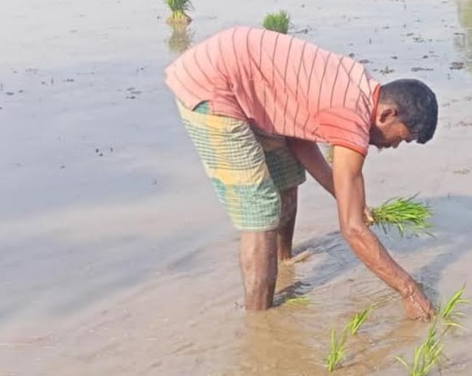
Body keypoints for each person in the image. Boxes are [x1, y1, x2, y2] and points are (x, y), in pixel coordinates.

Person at [166, 26, 439, 318]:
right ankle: (260, 322)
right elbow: (353, 230)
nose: (395, 146)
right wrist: (408, 290)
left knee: (287, 174)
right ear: (387, 114)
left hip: (239, 77)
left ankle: (284, 264)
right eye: (400, 137)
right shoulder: (351, 115)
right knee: (260, 210)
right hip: (210, 87)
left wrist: (347, 199)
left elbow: (300, 139)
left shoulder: (361, 86)